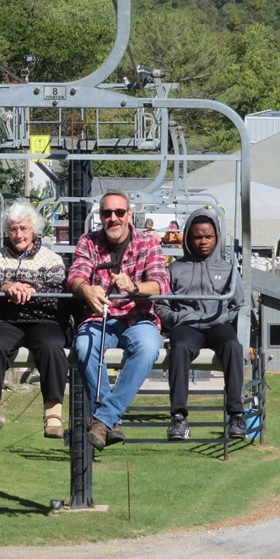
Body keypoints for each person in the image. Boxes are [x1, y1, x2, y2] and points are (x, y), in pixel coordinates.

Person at [67, 190, 169, 451]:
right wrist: (86, 290)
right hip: (100, 315)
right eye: (107, 213)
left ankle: (103, 418)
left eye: (119, 212)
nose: (114, 218)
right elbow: (76, 274)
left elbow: (160, 285)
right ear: (100, 216)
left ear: (129, 215)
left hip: (139, 317)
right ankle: (111, 421)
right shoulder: (88, 241)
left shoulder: (148, 242)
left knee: (147, 349)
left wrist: (133, 286)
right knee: (83, 347)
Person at [0, 199, 71, 439]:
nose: (19, 234)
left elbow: (58, 296)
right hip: (3, 320)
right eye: (13, 229)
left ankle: (53, 414)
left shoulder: (51, 259)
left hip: (43, 320)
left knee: (50, 346)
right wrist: (6, 286)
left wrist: (29, 290)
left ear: (34, 229)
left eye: (24, 228)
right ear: (7, 231)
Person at [156, 208, 247, 441]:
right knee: (180, 349)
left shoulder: (227, 270)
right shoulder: (175, 269)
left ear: (216, 238)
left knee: (233, 347)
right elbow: (161, 306)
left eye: (208, 237)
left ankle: (236, 415)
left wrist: (223, 318)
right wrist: (178, 320)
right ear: (188, 238)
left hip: (217, 325)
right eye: (197, 237)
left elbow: (237, 303)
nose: (203, 242)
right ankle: (178, 417)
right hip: (187, 326)